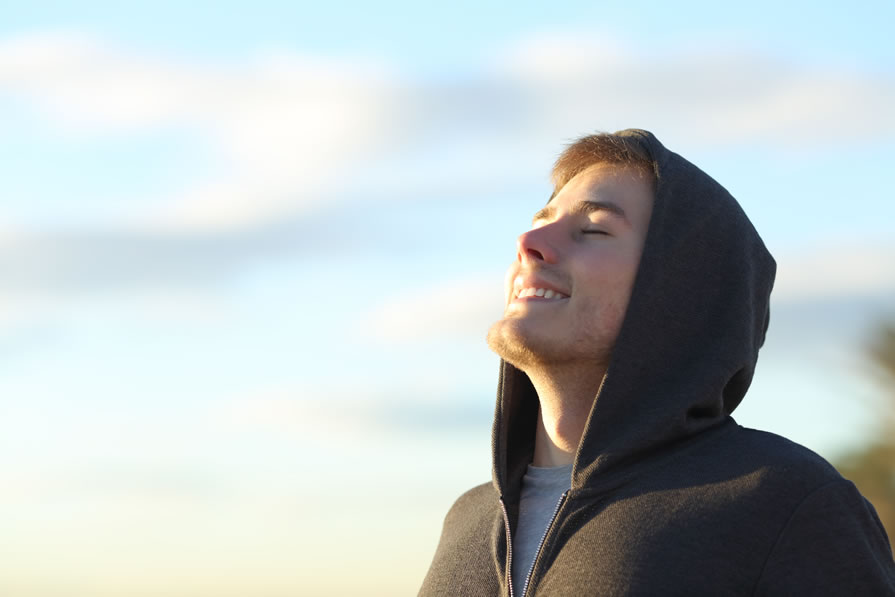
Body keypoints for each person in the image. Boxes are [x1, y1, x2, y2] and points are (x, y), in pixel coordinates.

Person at [419, 129, 895, 596]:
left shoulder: (784, 503)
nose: (528, 241)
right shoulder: (470, 519)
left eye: (592, 230)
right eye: (541, 220)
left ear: (680, 293)